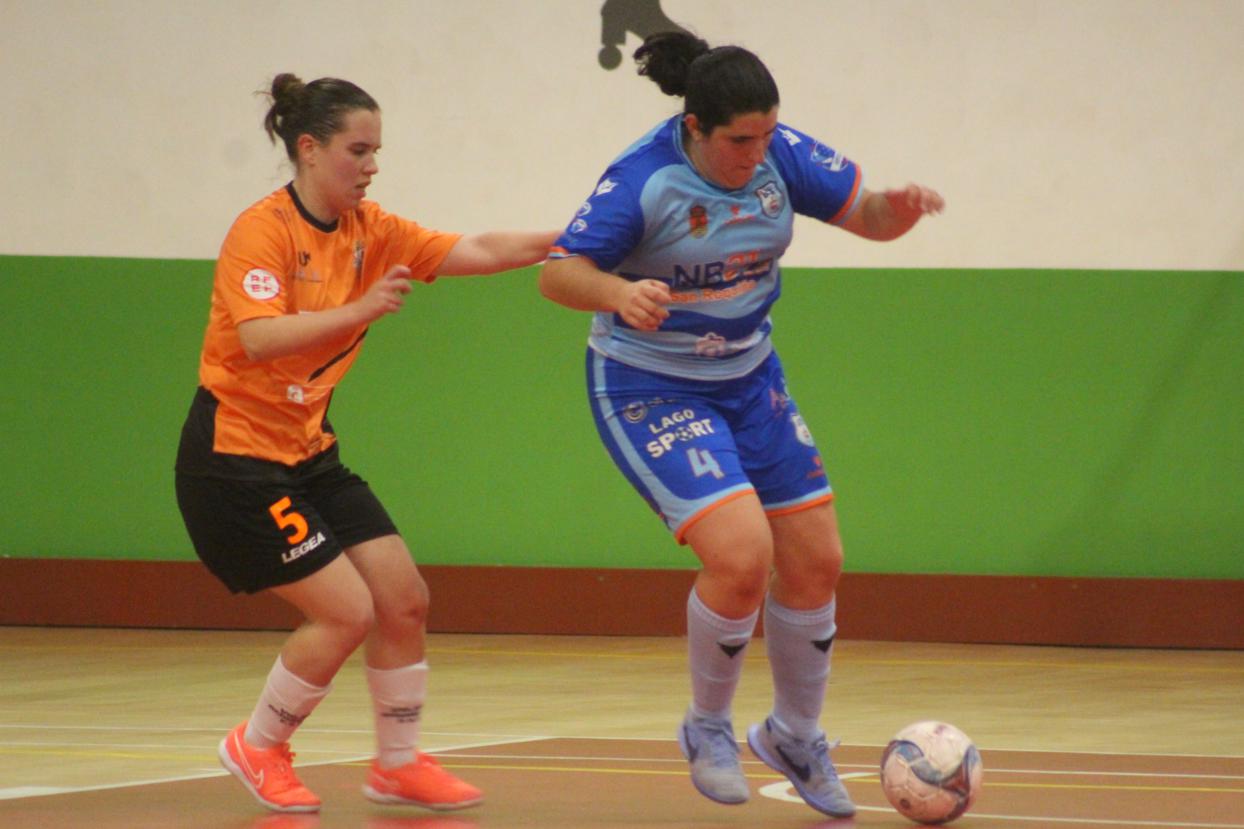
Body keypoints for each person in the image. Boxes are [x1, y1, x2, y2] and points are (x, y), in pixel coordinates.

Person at [538, 32, 943, 818]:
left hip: (750, 379)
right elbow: (559, 272)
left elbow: (866, 215)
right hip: (649, 386)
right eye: (739, 141)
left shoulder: (777, 153)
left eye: (766, 135)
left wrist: (896, 212)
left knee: (818, 560)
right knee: (742, 554)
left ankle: (794, 734)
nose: (757, 154)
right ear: (695, 127)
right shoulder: (643, 180)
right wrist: (618, 293)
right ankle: (708, 726)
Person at [174, 73, 558, 815]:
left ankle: (398, 763)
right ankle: (258, 744)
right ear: (309, 149)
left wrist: (585, 234)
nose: (372, 165)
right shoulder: (263, 230)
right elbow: (259, 338)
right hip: (235, 461)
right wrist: (361, 308)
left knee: (403, 598)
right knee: (346, 611)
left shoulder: (371, 230)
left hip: (307, 452)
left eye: (377, 151)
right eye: (358, 150)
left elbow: (479, 248)